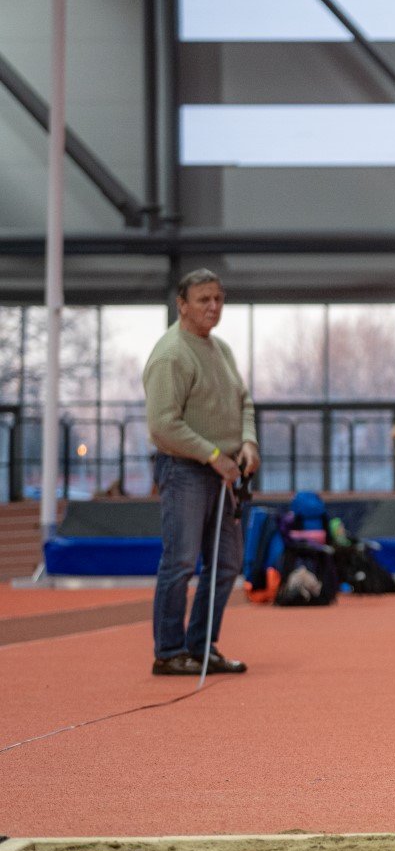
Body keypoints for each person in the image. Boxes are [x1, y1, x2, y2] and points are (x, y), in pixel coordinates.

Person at [143, 268, 256, 676]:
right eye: (204, 299)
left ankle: (202, 646)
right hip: (186, 471)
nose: (213, 307)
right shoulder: (172, 354)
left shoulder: (221, 350)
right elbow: (162, 425)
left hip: (225, 472)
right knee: (181, 563)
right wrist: (211, 454)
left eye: (219, 299)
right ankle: (170, 652)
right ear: (182, 305)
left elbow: (244, 402)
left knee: (226, 564)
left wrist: (248, 443)